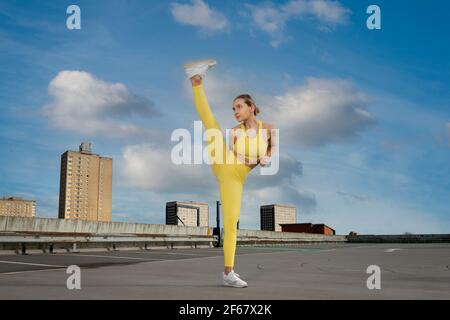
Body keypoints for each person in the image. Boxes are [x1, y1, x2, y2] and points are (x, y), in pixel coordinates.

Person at [184, 59, 275, 288]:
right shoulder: (235, 132)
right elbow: (239, 155)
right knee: (211, 124)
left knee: (231, 221)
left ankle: (228, 273)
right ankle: (196, 81)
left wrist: (267, 158)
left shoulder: (269, 129)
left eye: (239, 107)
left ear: (251, 106)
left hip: (236, 178)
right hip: (225, 162)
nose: (235, 111)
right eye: (233, 108)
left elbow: (271, 148)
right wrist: (257, 159)